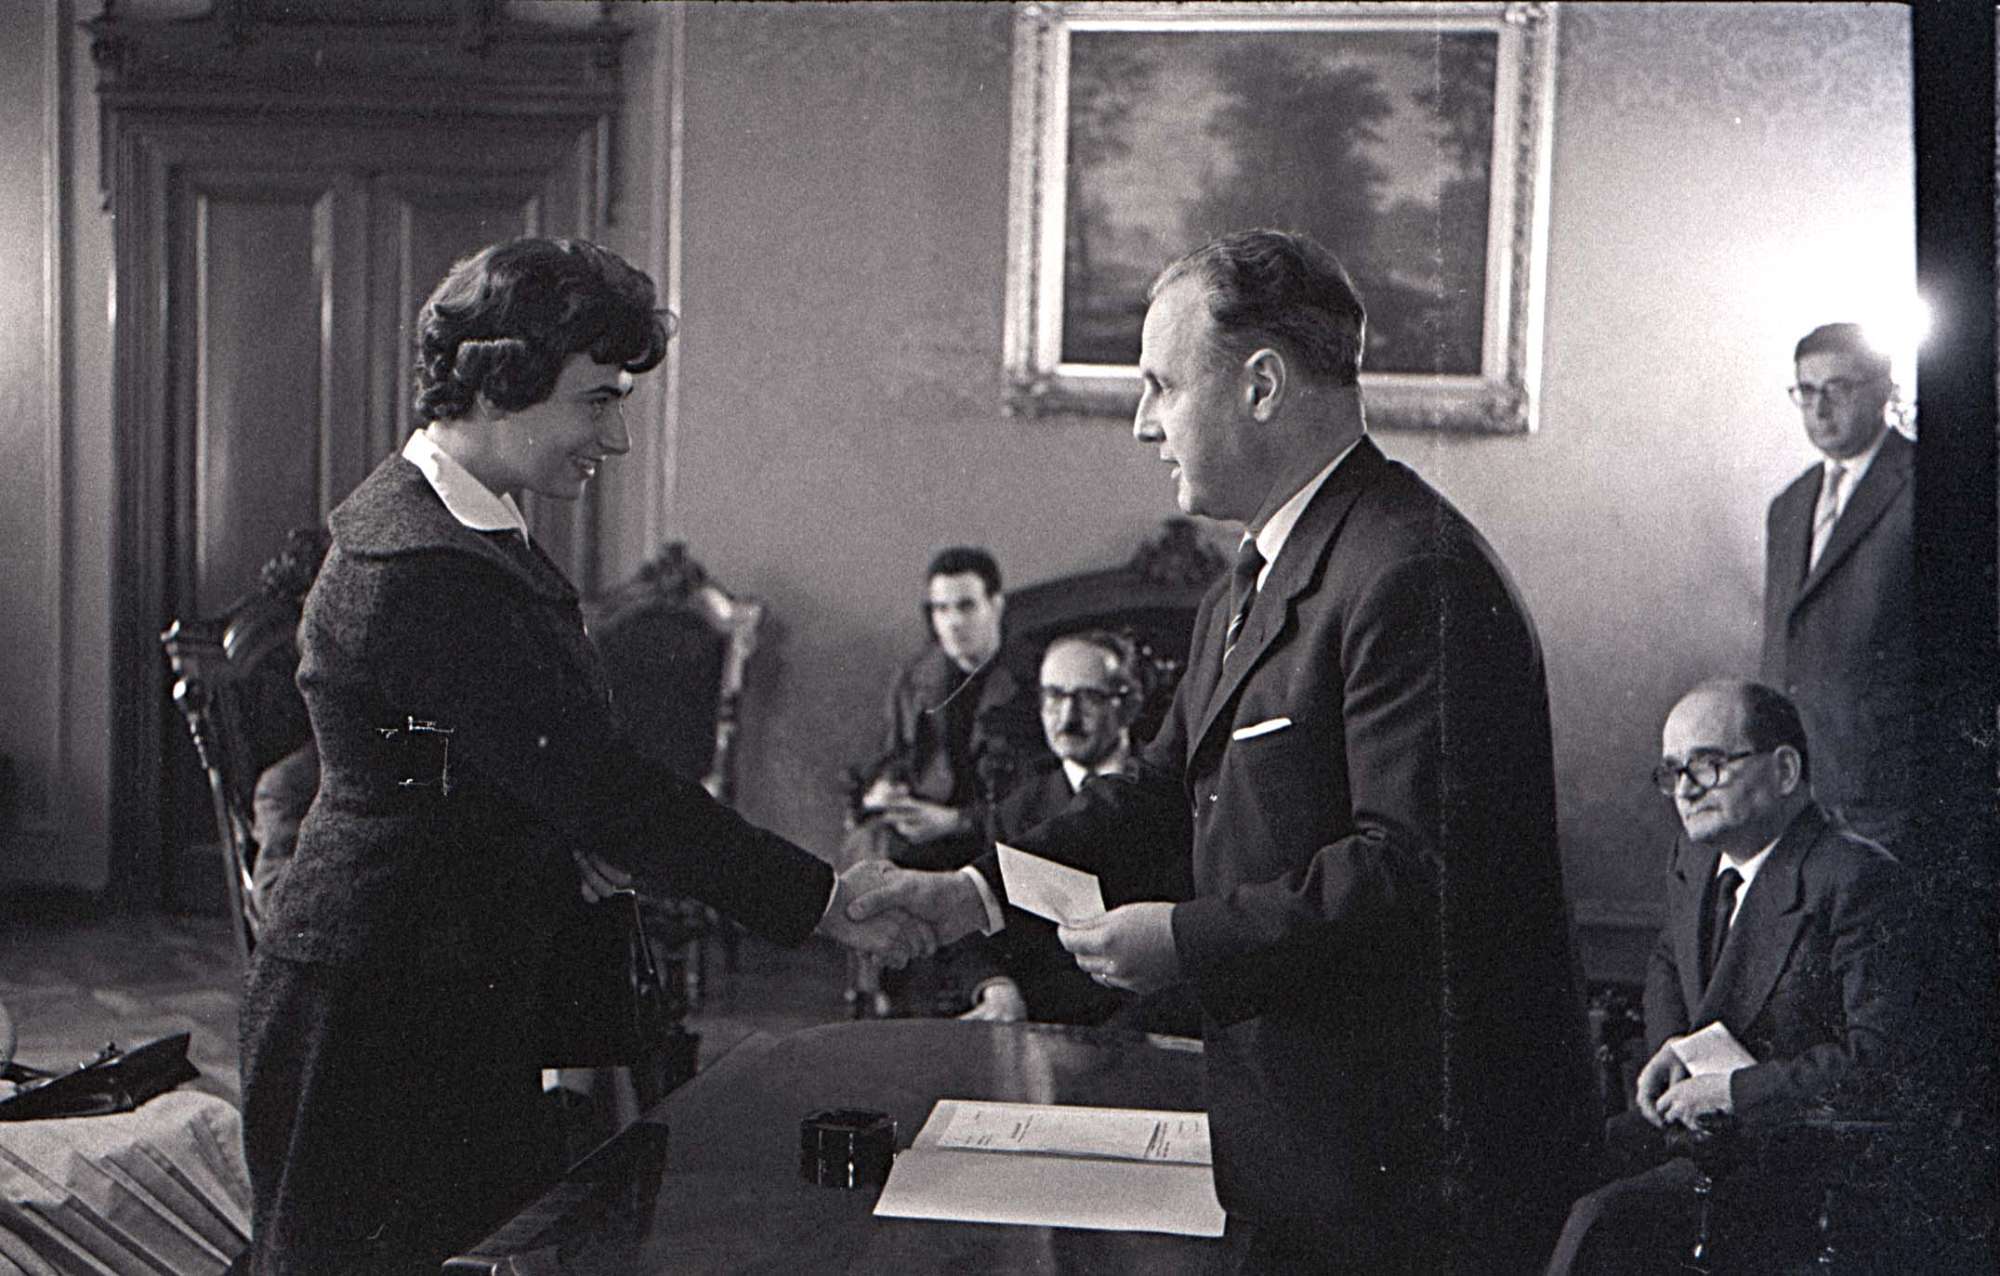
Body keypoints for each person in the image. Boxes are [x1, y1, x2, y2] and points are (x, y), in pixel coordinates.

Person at [851, 228, 1595, 1272]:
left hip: (1409, 1167)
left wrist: (1185, 939)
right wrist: (975, 892)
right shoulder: (1246, 582)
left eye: (1160, 385)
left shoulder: (1411, 573)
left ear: (1261, 385)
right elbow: (1155, 795)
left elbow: (1410, 872)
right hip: (1303, 1132)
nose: (1142, 423)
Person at [237, 237, 931, 1276]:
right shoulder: (420, 564)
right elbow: (600, 783)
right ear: (498, 385)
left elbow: (484, 766)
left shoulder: (460, 523)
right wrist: (822, 900)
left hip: (433, 988)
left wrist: (558, 836)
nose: (616, 435)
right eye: (595, 401)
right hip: (372, 1017)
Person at [1545, 680, 1912, 1275]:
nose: (1685, 790)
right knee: (1540, 1175)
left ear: (1785, 770)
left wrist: (1731, 1092)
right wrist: (1675, 1048)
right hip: (1704, 1133)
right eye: (1673, 771)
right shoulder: (1693, 859)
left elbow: (1880, 1065)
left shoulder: (1856, 879)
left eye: (1707, 765)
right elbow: (1669, 960)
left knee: (1602, 1224)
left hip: (1796, 1163)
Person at [959, 629, 1186, 1028]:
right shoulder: (1014, 811)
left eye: (1088, 697)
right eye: (1054, 696)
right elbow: (982, 933)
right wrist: (998, 987)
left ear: (1129, 704)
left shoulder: (1174, 797)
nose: (1067, 718)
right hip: (1049, 1023)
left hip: (1158, 1019)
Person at [1760, 323, 1914, 849]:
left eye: (1837, 389)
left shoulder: (1926, 483)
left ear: (1883, 389)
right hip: (1798, 784)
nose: (1819, 410)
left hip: (1891, 785)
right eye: (1806, 392)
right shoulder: (1789, 505)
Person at [844, 547, 1035, 872]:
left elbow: (1040, 796)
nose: (953, 622)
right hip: (927, 833)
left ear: (996, 606)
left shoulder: (1032, 680)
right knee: (869, 848)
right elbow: (896, 754)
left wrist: (958, 821)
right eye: (941, 609)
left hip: (997, 840)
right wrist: (886, 788)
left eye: (966, 606)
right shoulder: (916, 678)